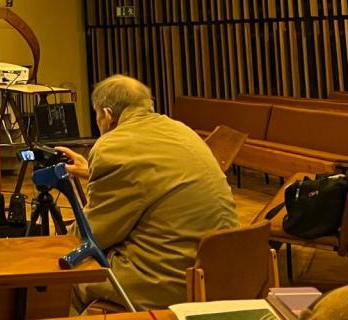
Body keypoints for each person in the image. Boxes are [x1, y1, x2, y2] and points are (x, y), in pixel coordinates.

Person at [55, 75, 238, 312]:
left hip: (168, 280)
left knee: (64, 275)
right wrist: (93, 173)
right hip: (220, 272)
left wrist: (59, 238)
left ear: (107, 115)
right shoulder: (181, 130)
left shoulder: (113, 146)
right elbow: (151, 181)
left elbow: (93, 235)